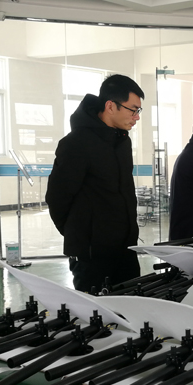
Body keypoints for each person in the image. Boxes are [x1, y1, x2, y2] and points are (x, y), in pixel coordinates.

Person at [46, 74, 144, 293]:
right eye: (133, 109)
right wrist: (80, 234)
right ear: (110, 106)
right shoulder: (76, 143)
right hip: (92, 256)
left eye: (139, 110)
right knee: (95, 311)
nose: (136, 117)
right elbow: (57, 197)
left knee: (131, 306)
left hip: (126, 249)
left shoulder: (122, 141)